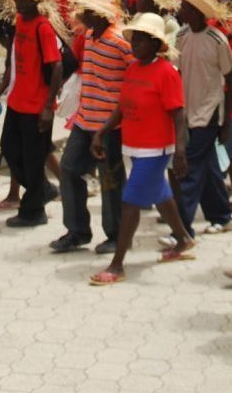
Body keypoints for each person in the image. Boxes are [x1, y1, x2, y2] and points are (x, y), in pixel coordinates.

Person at [89, 14, 193, 284]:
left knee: (130, 201)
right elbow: (122, 107)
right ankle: (183, 239)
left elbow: (179, 116)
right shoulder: (134, 68)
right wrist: (101, 131)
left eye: (142, 39)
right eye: (134, 38)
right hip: (134, 145)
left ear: (156, 43)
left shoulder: (167, 72)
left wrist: (180, 152)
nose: (135, 44)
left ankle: (117, 264)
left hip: (156, 149)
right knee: (161, 195)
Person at [50, 0, 132, 254]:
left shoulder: (120, 41)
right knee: (70, 169)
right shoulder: (88, 37)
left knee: (110, 180)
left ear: (100, 14)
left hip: (110, 126)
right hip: (85, 121)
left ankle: (116, 235)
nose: (81, 14)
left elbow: (135, 76)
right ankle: (77, 231)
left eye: (86, 10)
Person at [169, 0, 232, 243]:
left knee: (189, 169)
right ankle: (222, 216)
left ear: (195, 11)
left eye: (184, 7)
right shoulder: (181, 37)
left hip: (208, 112)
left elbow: (230, 77)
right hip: (186, 110)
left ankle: (182, 230)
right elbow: (177, 72)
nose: (180, 10)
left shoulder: (217, 40)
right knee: (207, 167)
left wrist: (227, 123)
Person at [0, 0, 62, 228]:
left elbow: (55, 67)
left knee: (34, 159)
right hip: (17, 100)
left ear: (36, 1)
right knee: (10, 149)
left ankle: (33, 209)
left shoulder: (43, 27)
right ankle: (42, 189)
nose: (20, 2)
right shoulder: (21, 21)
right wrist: (3, 87)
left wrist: (47, 107)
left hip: (36, 105)